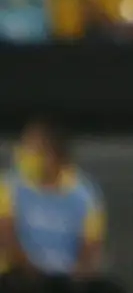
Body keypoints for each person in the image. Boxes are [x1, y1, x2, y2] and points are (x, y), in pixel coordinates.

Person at [0, 120, 112, 293]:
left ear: (55, 156)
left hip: (64, 281)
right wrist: (33, 275)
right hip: (19, 279)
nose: (23, 154)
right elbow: (6, 236)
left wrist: (77, 276)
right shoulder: (9, 185)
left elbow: (91, 246)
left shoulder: (85, 194)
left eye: (32, 149)